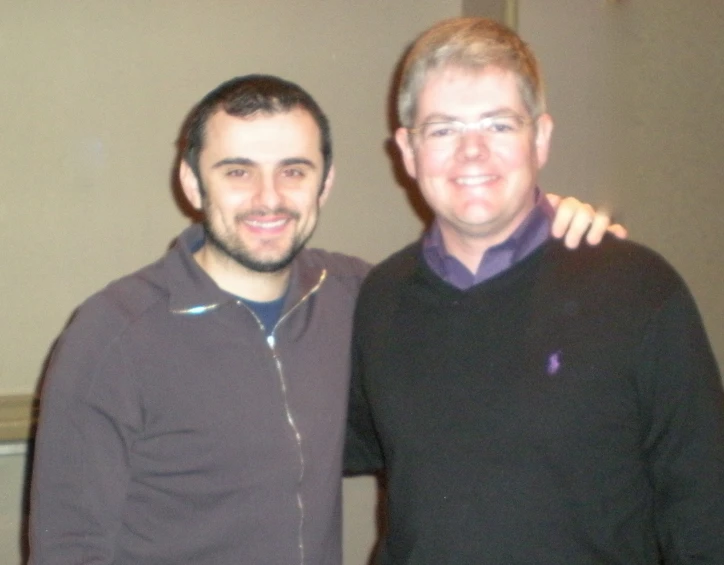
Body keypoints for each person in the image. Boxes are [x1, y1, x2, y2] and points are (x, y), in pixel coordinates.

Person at [28, 74, 618, 565]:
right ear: (191, 182)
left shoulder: (365, 296)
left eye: (294, 170)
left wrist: (547, 227)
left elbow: (476, 317)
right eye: (237, 171)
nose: (268, 197)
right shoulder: (116, 333)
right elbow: (69, 546)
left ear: (325, 183)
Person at [345, 17, 724, 565]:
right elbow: (324, 437)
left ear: (540, 138)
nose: (471, 152)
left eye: (499, 125)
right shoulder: (379, 298)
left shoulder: (638, 288)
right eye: (444, 129)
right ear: (408, 151)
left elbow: (707, 513)